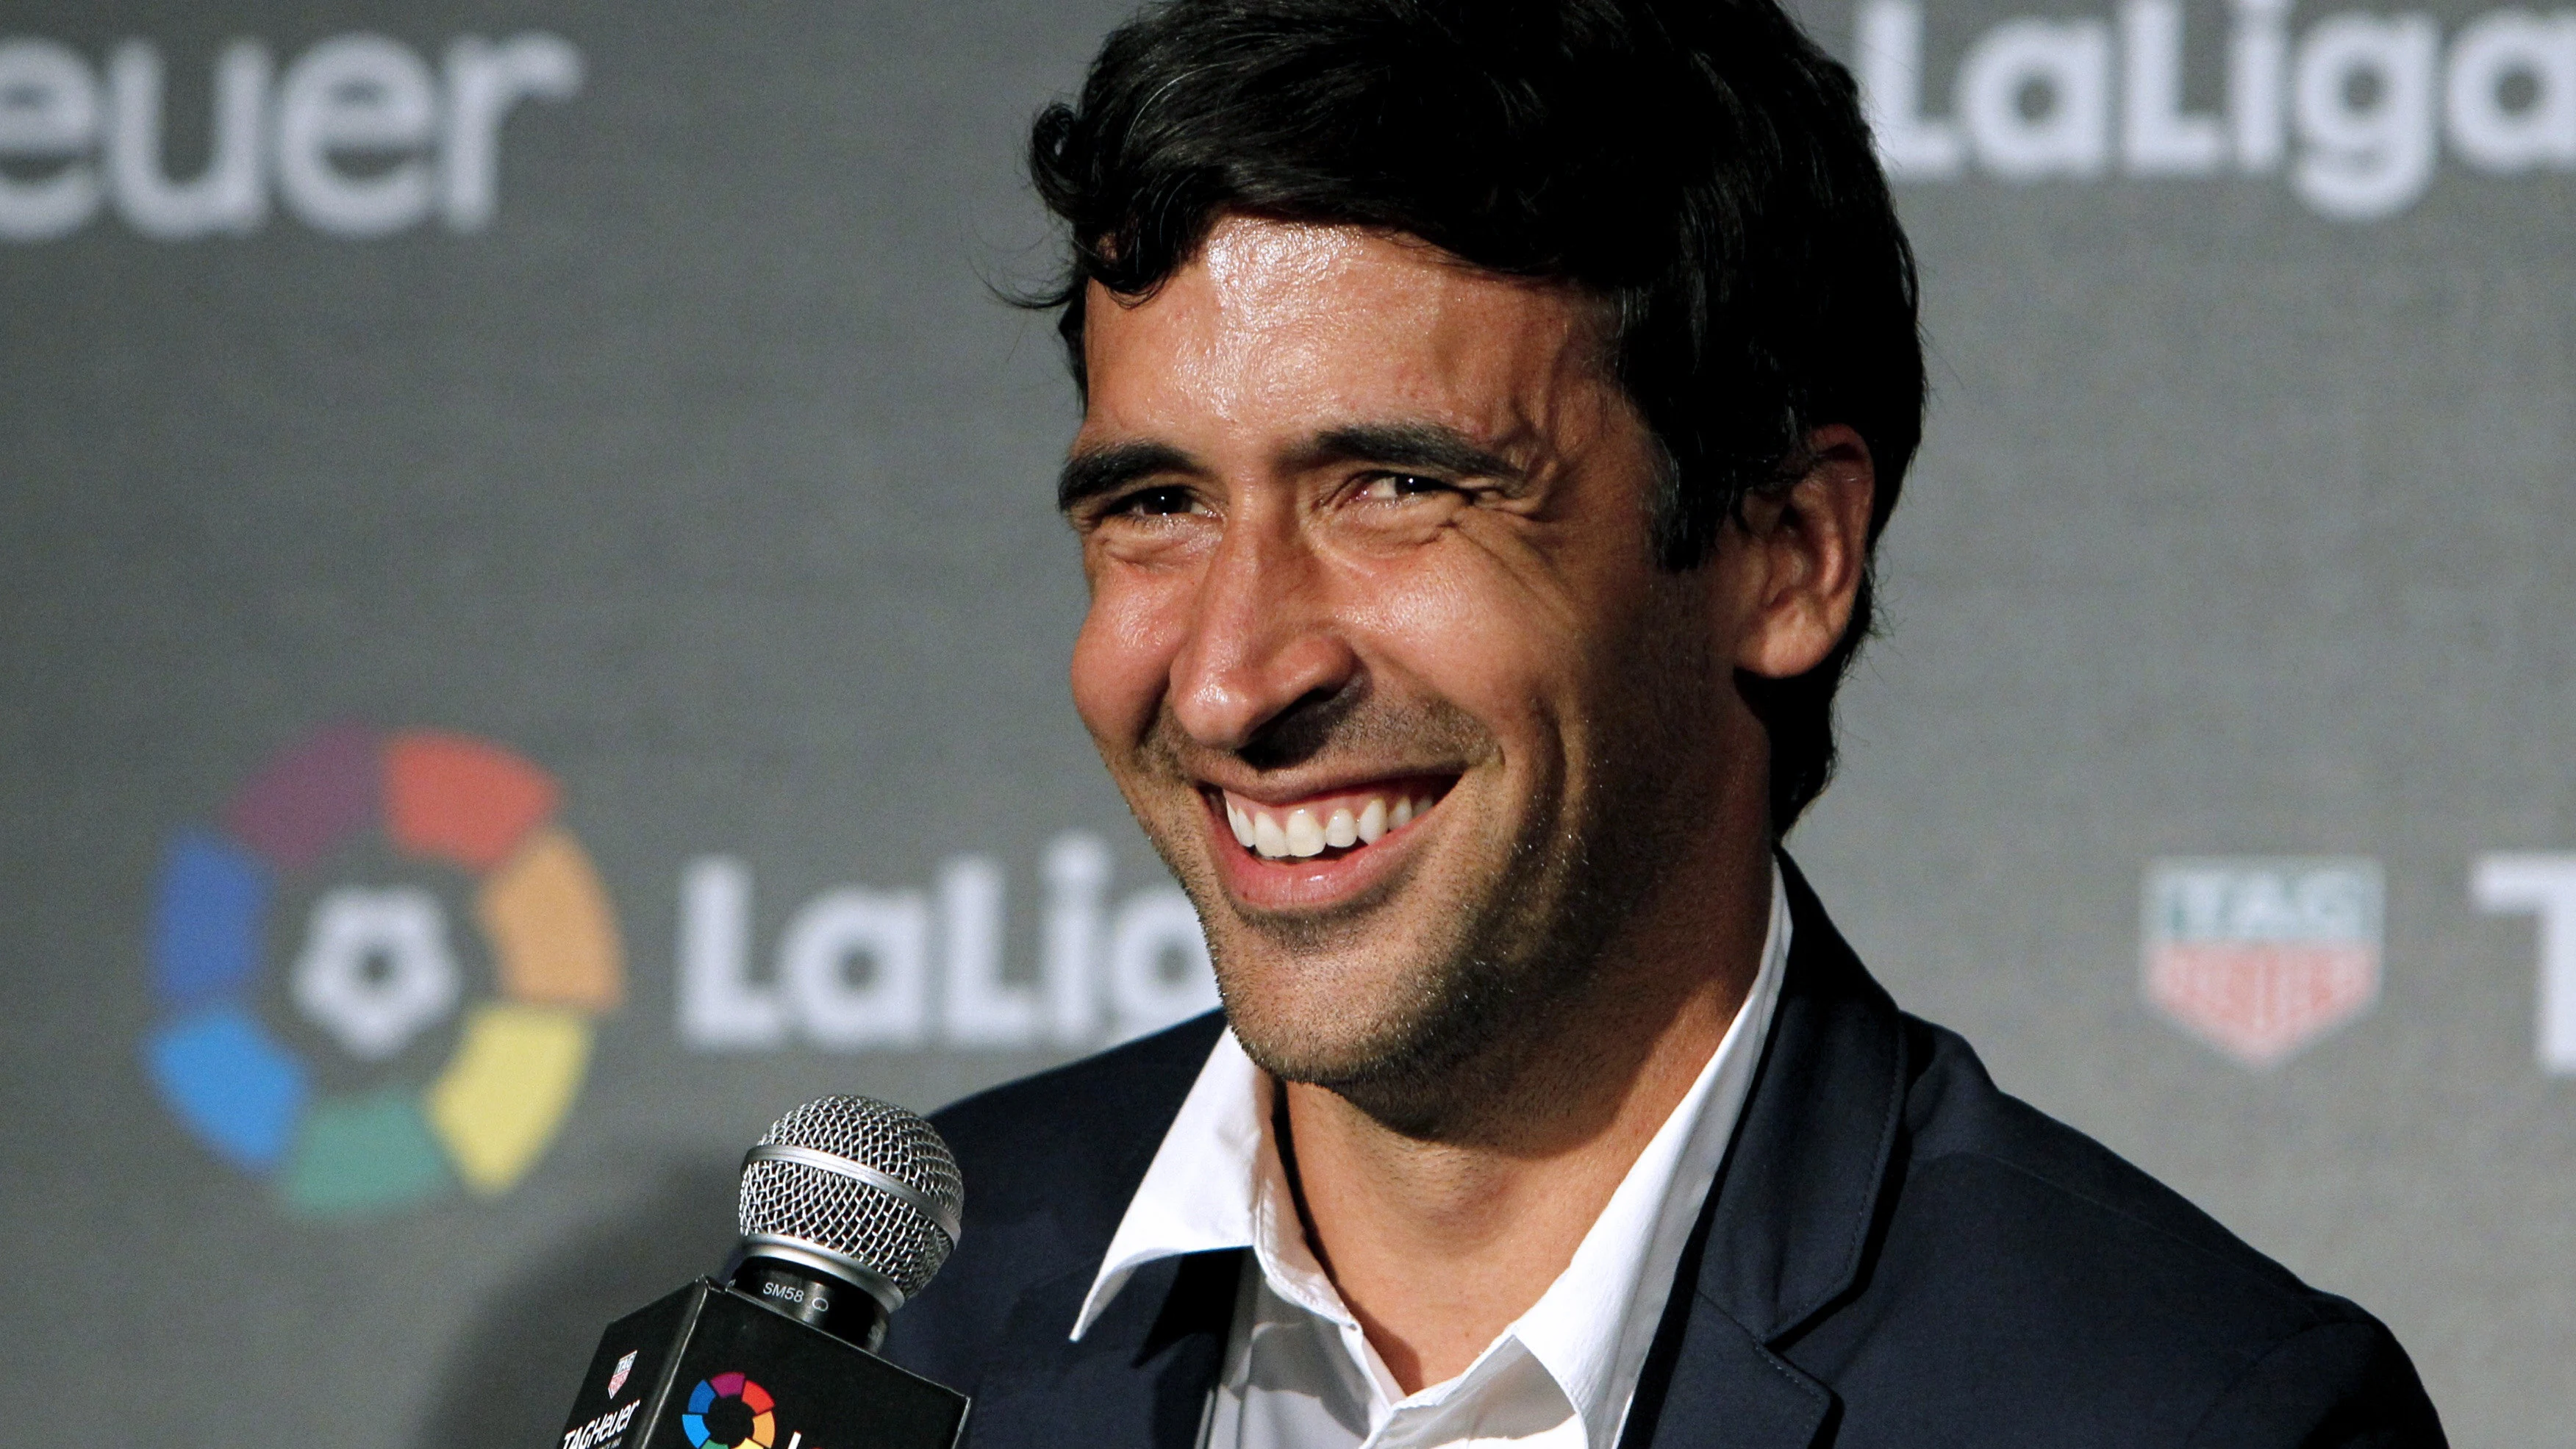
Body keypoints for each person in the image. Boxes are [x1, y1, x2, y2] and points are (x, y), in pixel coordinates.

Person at [878, 0, 2447, 1443]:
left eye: (1401, 489)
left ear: (1786, 552)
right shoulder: (881, 1327)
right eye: (1157, 504)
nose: (1228, 677)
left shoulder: (2182, 1415)